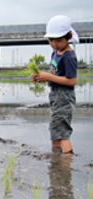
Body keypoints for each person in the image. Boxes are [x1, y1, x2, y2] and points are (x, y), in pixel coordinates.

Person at [32, 15, 78, 155]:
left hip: (64, 96)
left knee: (62, 131)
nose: (54, 43)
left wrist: (49, 76)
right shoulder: (55, 53)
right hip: (55, 95)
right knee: (55, 129)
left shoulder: (69, 56)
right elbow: (56, 76)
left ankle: (65, 164)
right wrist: (43, 78)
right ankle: (57, 161)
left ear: (68, 36)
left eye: (58, 40)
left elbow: (72, 80)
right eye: (50, 40)